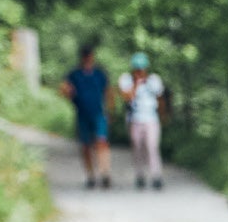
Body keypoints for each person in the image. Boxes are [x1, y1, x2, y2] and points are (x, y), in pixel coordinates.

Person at [62, 42, 111, 188]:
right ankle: (90, 175)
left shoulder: (99, 74)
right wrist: (69, 94)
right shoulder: (74, 74)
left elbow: (108, 92)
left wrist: (109, 111)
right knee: (86, 146)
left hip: (99, 113)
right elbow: (64, 89)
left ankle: (105, 172)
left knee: (101, 142)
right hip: (82, 114)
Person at [119, 53, 168, 189]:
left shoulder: (153, 80)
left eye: (141, 69)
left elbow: (160, 97)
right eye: (137, 69)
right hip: (135, 119)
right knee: (137, 147)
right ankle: (139, 174)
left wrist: (163, 115)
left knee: (152, 146)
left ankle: (156, 175)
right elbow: (127, 97)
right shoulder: (127, 80)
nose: (139, 72)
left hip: (151, 118)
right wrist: (136, 84)